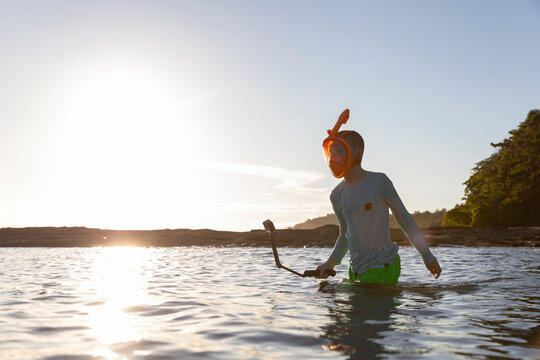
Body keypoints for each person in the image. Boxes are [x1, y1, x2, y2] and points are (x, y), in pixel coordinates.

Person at [316, 109, 441, 284]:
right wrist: (330, 263)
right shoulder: (336, 195)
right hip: (357, 270)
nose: (334, 156)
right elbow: (345, 234)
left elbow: (404, 220)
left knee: (359, 299)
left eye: (340, 150)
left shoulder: (378, 182)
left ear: (357, 153)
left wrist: (427, 256)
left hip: (383, 267)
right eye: (332, 150)